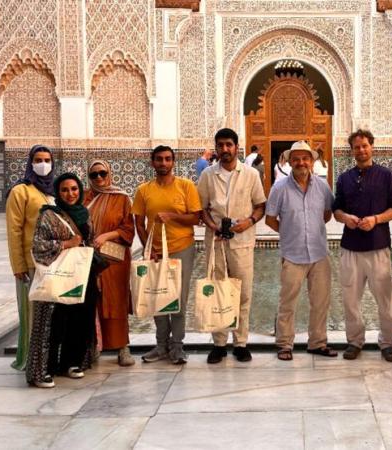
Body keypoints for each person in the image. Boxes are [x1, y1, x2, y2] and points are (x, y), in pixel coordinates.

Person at [333, 129, 392, 362]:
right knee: (351, 299)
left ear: (372, 146)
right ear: (352, 150)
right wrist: (346, 219)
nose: (361, 150)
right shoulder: (344, 178)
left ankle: (388, 343)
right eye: (357, 147)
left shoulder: (386, 176)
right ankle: (355, 341)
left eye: (365, 145)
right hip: (351, 248)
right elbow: (337, 209)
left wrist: (376, 219)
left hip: (378, 247)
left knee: (385, 298)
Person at [198, 128, 267, 364]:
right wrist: (213, 226)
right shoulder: (208, 175)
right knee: (218, 290)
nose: (225, 149)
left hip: (242, 242)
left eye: (229, 145)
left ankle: (240, 343)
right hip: (216, 242)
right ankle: (219, 344)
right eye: (221, 145)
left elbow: (260, 206)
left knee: (243, 293)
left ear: (237, 147)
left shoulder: (250, 175)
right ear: (216, 148)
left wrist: (247, 223)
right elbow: (202, 209)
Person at [266, 141, 337, 360]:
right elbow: (270, 220)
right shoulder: (279, 187)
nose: (301, 163)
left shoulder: (323, 186)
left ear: (312, 161)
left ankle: (317, 343)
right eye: (295, 159)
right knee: (288, 301)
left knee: (320, 301)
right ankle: (285, 344)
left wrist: (312, 230)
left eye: (305, 158)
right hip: (293, 254)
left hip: (319, 253)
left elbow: (327, 214)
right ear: (289, 162)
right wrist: (289, 233)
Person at [26, 173, 97, 388]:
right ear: (58, 192)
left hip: (81, 274)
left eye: (74, 189)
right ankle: (43, 370)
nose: (70, 194)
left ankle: (71, 362)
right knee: (52, 322)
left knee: (78, 320)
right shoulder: (48, 215)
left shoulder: (84, 214)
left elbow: (89, 240)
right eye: (65, 190)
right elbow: (38, 247)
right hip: (58, 276)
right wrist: (68, 244)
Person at [132, 145, 202, 365]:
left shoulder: (186, 186)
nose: (163, 163)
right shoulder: (144, 190)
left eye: (168, 159)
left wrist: (171, 216)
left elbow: (195, 218)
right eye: (159, 159)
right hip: (156, 252)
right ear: (152, 162)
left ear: (173, 162)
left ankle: (178, 346)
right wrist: (147, 247)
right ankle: (161, 345)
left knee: (179, 298)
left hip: (182, 248)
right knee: (158, 295)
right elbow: (139, 222)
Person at [6, 144, 55, 370]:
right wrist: (18, 264)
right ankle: (30, 359)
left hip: (53, 262)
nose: (43, 164)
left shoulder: (53, 189)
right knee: (32, 313)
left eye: (47, 160)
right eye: (38, 160)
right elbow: (14, 229)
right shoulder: (21, 191)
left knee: (50, 313)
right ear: (30, 162)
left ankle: (48, 357)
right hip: (30, 262)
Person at [84, 160, 135, 367]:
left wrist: (107, 235)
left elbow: (128, 228)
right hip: (90, 258)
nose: (99, 178)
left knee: (117, 301)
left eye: (102, 173)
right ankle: (94, 346)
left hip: (115, 260)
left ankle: (123, 347)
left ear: (109, 173)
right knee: (92, 302)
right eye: (94, 175)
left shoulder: (121, 198)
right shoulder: (84, 197)